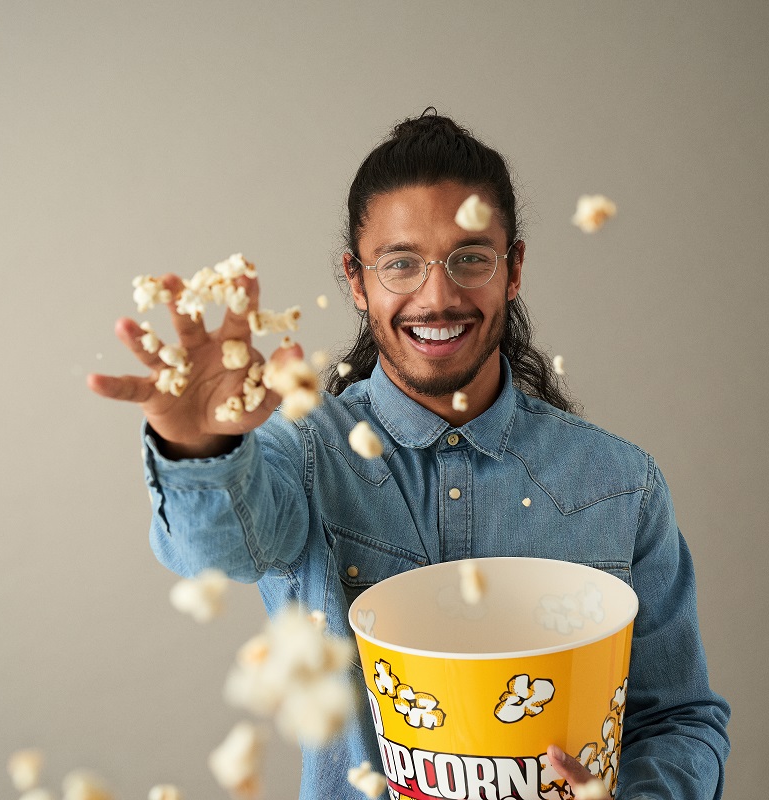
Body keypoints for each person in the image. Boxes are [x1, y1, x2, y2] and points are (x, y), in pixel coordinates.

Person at [88, 110, 730, 799]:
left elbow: (678, 719)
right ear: (356, 281)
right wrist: (201, 445)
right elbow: (215, 553)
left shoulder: (618, 484)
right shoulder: (305, 452)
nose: (438, 296)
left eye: (471, 258)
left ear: (512, 269)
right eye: (401, 264)